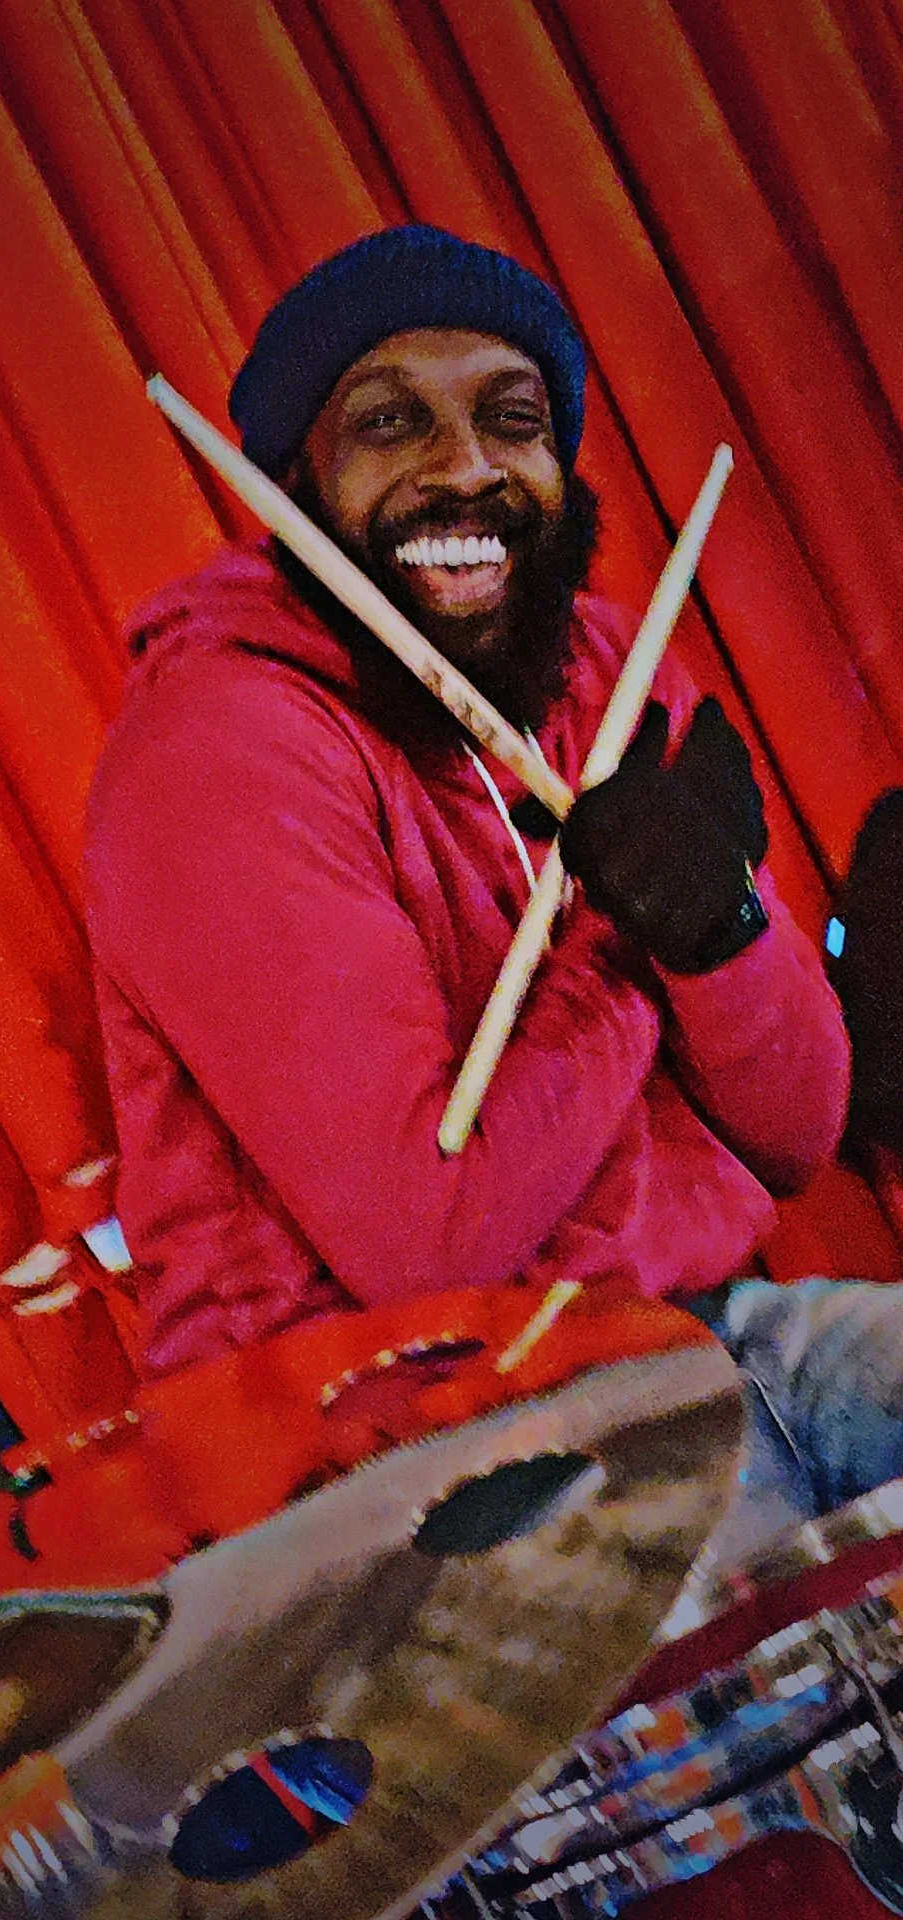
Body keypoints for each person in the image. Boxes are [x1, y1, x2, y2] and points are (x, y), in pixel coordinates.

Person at [85, 226, 903, 1569]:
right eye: (392, 425)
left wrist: (721, 932)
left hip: (705, 1339)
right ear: (296, 483)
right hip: (398, 1458)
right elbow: (429, 1238)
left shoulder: (610, 670)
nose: (464, 467)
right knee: (801, 1672)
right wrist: (633, 950)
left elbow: (800, 1129)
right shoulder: (218, 751)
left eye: (511, 421)